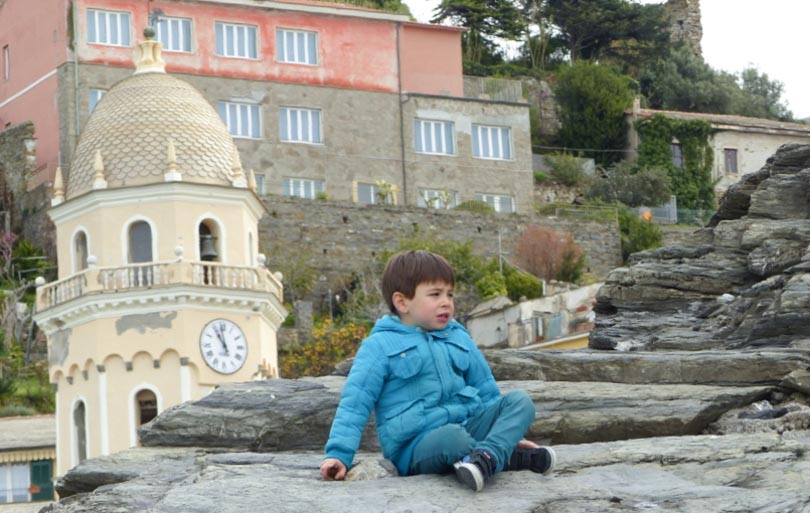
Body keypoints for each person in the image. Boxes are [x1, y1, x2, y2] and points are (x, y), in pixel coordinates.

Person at [320, 250, 555, 492]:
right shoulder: (379, 346)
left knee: (520, 401)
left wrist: (507, 434)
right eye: (435, 294)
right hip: (415, 446)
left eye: (450, 294)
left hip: (467, 426)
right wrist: (339, 454)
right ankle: (505, 457)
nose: (446, 302)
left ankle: (489, 456)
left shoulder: (458, 336)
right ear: (402, 302)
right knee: (454, 439)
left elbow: (487, 389)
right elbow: (355, 402)